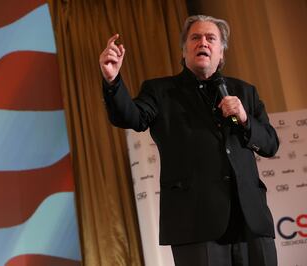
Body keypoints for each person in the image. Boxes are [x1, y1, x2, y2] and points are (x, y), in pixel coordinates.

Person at [99, 15, 279, 266]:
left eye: (210, 38)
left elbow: (270, 144)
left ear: (221, 52)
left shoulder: (245, 92)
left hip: (251, 221)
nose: (202, 42)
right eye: (195, 38)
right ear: (184, 51)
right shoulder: (160, 91)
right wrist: (112, 82)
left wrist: (245, 118)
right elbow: (130, 117)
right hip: (196, 224)